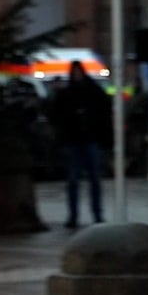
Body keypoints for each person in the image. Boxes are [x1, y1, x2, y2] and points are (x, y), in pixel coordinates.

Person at [48, 61, 112, 228]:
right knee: (74, 180)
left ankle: (95, 214)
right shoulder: (70, 94)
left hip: (88, 139)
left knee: (92, 179)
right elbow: (55, 115)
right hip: (75, 140)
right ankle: (75, 215)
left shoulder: (92, 92)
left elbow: (104, 112)